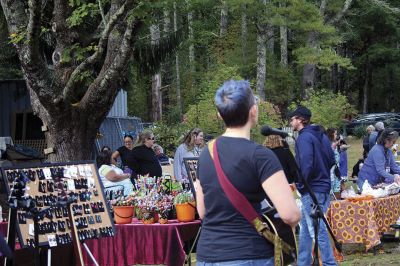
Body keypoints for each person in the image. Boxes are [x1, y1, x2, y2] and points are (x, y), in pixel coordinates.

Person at [196, 80, 300, 265]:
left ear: (220, 115)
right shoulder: (261, 156)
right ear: (253, 111)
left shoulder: (205, 154)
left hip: (207, 255)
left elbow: (203, 212)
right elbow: (289, 214)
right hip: (248, 254)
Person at [289, 106, 337, 266]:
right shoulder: (321, 135)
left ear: (301, 119)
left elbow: (306, 165)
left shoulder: (303, 138)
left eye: (292, 119)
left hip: (311, 189)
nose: (290, 122)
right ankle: (303, 262)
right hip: (323, 188)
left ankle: (330, 263)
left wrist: (301, 185)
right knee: (306, 229)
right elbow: (331, 159)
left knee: (317, 229)